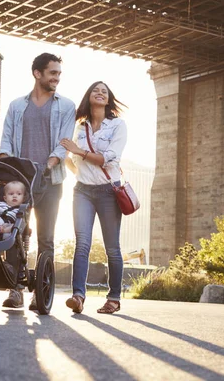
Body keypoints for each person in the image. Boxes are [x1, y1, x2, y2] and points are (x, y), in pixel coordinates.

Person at [0, 53, 76, 309]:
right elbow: (6, 140)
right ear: (37, 73)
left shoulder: (66, 106)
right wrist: (8, 163)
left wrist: (48, 166)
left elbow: (63, 144)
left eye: (59, 74)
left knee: (46, 237)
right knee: (15, 232)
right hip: (20, 180)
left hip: (50, 180)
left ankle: (40, 292)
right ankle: (15, 290)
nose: (57, 78)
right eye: (53, 73)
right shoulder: (16, 106)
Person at [60, 81, 127, 314]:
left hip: (109, 191)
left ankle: (114, 298)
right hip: (83, 191)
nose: (99, 93)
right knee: (82, 244)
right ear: (89, 96)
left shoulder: (118, 125)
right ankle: (78, 296)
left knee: (112, 249)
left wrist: (78, 151)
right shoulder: (80, 127)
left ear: (108, 100)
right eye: (95, 90)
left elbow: (108, 158)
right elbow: (69, 158)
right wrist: (76, 167)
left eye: (104, 91)